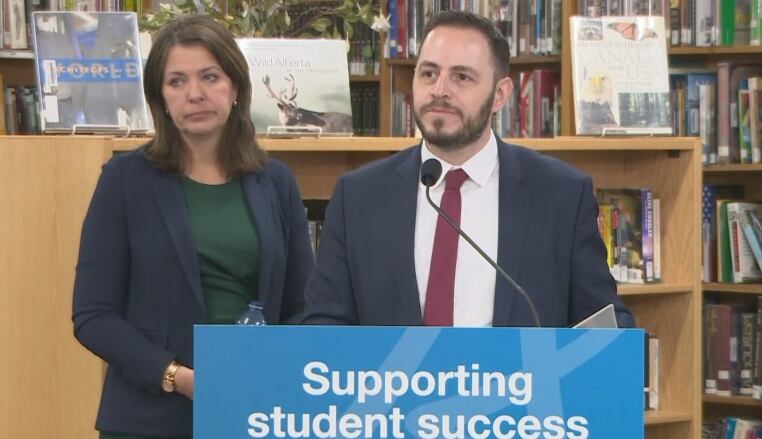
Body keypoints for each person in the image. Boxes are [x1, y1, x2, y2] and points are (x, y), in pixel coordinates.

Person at [302, 10, 634, 328]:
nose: (440, 90)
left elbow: (601, 321)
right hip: (390, 384)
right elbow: (324, 324)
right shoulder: (359, 196)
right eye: (429, 73)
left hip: (517, 385)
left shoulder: (561, 195)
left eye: (461, 77)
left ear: (500, 94)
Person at [71, 14, 313, 439]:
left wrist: (267, 364)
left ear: (235, 87)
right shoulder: (124, 181)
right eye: (177, 81)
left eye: (210, 77)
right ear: (160, 97)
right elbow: (93, 316)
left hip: (254, 410)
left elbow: (301, 308)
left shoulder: (277, 182)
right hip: (149, 417)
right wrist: (176, 376)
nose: (195, 94)